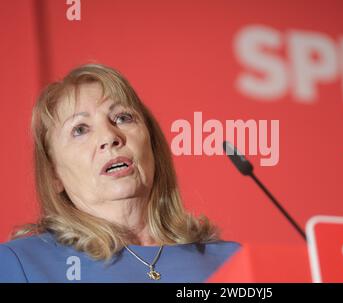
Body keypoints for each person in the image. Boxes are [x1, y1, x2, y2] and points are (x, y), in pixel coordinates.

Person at [0, 64, 240, 282]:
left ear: (153, 146)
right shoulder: (20, 264)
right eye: (80, 129)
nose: (109, 137)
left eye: (122, 118)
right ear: (54, 175)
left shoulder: (233, 263)